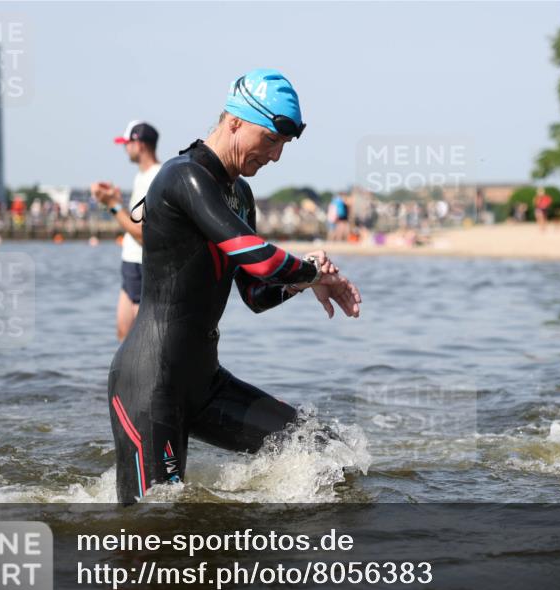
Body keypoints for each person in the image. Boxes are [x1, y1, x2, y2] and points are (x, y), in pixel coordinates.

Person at [107, 69, 362, 504]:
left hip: (205, 383)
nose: (276, 156)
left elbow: (256, 294)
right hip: (149, 384)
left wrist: (306, 277)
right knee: (155, 524)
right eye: (271, 140)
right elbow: (260, 257)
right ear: (235, 122)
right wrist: (312, 272)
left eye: (283, 145)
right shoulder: (182, 177)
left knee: (328, 452)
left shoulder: (240, 195)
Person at [92, 121, 162, 341]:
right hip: (131, 263)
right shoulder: (141, 176)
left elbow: (143, 234)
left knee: (139, 342)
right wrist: (116, 200)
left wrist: (113, 205)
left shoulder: (155, 177)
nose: (125, 149)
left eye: (126, 144)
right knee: (124, 336)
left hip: (143, 264)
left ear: (138, 144)